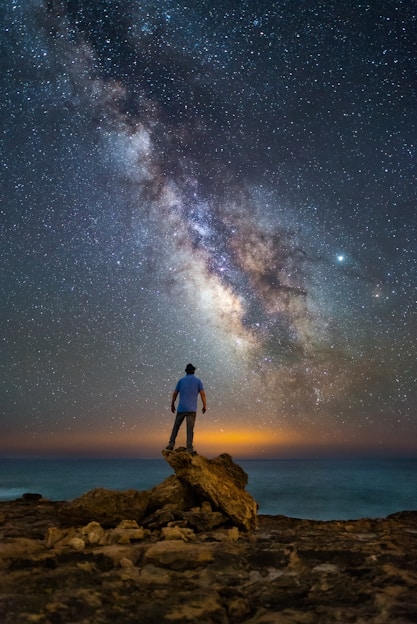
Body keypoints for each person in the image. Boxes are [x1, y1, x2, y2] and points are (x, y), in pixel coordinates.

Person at [166, 363, 207, 454]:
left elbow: (175, 393)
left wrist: (172, 404)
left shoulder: (181, 381)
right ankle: (189, 448)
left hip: (181, 408)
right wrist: (204, 405)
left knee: (176, 426)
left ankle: (171, 444)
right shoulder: (198, 381)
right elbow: (202, 394)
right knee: (190, 429)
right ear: (193, 371)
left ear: (186, 371)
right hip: (192, 409)